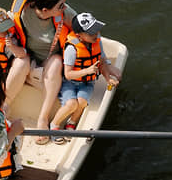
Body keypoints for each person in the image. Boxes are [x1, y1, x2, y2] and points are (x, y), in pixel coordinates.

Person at [5, 0, 77, 145]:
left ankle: (43, 119)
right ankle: (3, 108)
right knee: (20, 62)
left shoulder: (64, 13)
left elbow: (86, 32)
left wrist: (106, 65)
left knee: (57, 62)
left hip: (51, 60)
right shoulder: (21, 10)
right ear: (45, 10)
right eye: (60, 6)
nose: (64, 7)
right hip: (28, 56)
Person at [49, 12, 122, 143]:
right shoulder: (72, 48)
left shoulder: (97, 42)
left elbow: (102, 63)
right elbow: (68, 74)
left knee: (82, 102)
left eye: (96, 30)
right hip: (70, 83)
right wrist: (87, 70)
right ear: (79, 35)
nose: (96, 34)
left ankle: (71, 123)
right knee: (71, 104)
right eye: (91, 33)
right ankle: (54, 125)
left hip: (87, 83)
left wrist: (107, 78)